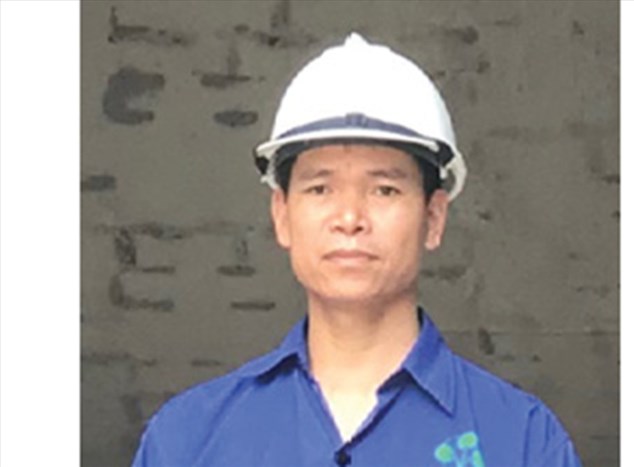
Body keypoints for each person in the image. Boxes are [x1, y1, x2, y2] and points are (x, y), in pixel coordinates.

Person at [132, 33, 582, 467]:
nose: (349, 218)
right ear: (282, 215)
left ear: (433, 218)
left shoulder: (522, 441)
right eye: (320, 188)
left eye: (384, 190)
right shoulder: (188, 440)